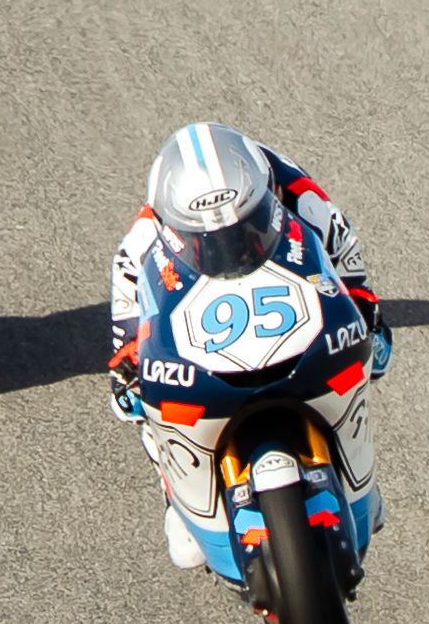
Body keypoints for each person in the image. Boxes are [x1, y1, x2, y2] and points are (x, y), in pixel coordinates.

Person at [107, 121, 392, 570]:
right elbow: (125, 328)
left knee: (374, 358)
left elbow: (346, 256)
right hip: (203, 335)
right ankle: (177, 499)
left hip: (292, 308)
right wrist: (128, 368)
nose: (228, 243)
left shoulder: (298, 192)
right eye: (208, 239)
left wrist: (364, 308)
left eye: (243, 227)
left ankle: (359, 483)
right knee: (141, 408)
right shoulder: (140, 242)